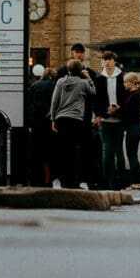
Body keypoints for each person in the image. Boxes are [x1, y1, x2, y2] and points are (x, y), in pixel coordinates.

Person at [56, 43, 100, 187]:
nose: (80, 54)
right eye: (77, 52)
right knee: (68, 149)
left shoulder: (89, 73)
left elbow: (94, 96)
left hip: (83, 116)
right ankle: (68, 179)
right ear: (72, 53)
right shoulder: (62, 73)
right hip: (73, 116)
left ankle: (83, 178)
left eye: (82, 52)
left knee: (83, 149)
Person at [94, 50, 127, 190]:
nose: (107, 62)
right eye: (105, 59)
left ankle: (121, 182)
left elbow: (126, 97)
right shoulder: (99, 78)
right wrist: (99, 114)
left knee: (119, 151)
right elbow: (96, 99)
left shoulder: (122, 77)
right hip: (106, 119)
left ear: (115, 61)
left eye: (110, 59)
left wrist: (118, 109)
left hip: (119, 119)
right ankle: (106, 181)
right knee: (106, 151)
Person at [27, 66, 57, 186]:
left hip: (36, 122)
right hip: (49, 122)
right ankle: (49, 179)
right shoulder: (55, 86)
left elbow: (29, 104)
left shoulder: (34, 86)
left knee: (36, 152)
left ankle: (36, 179)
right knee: (50, 152)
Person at [118, 72, 140, 190]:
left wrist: (118, 111)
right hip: (135, 128)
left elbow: (130, 113)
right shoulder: (134, 94)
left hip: (134, 128)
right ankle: (136, 182)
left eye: (126, 82)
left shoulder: (136, 95)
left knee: (132, 155)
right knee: (132, 154)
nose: (124, 84)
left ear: (132, 83)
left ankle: (137, 182)